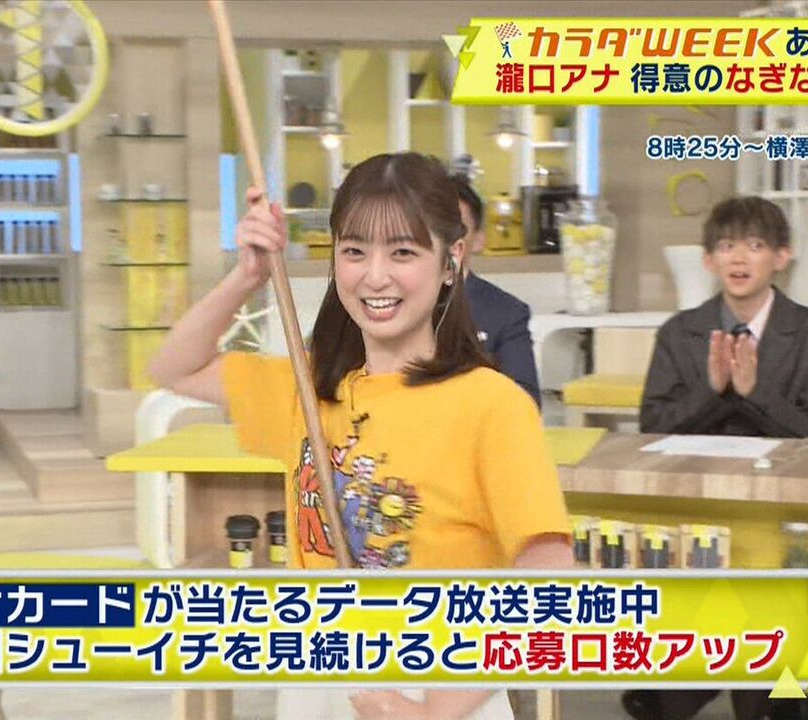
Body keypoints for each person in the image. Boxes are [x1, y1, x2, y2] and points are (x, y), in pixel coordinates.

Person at [149, 152, 574, 720]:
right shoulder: (309, 387)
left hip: (439, 688)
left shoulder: (492, 404)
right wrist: (247, 275)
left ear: (451, 261)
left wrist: (435, 712)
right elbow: (173, 368)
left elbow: (549, 572)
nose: (375, 276)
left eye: (403, 252)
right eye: (353, 251)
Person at [627, 196, 808, 720]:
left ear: (782, 256)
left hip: (786, 504)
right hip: (698, 502)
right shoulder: (680, 332)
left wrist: (755, 393)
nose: (739, 258)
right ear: (709, 260)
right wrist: (711, 388)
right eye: (727, 246)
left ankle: (768, 685)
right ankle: (701, 678)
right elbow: (651, 425)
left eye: (755, 245)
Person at [451, 174, 542, 408]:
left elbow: (525, 402)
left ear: (479, 240)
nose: (442, 239)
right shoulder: (384, 304)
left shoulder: (506, 313)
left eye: (455, 228)